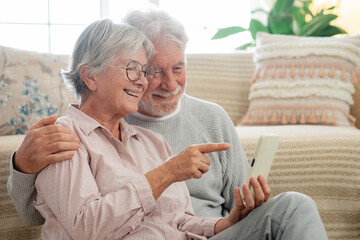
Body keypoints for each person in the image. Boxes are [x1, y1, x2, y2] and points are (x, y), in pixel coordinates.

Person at [8, 8, 329, 240]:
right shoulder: (66, 137)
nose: (152, 82)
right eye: (138, 69)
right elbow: (78, 225)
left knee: (294, 206)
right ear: (90, 75)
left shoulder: (149, 141)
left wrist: (231, 219)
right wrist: (22, 164)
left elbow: (179, 221)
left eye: (177, 68)